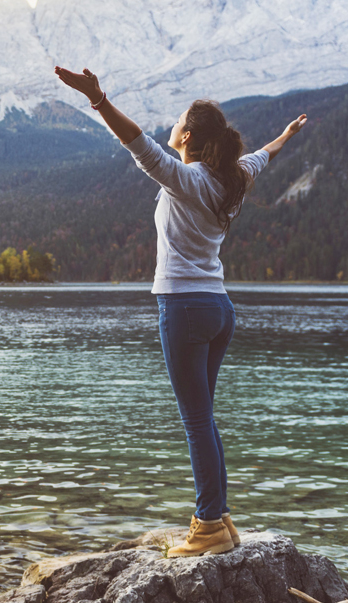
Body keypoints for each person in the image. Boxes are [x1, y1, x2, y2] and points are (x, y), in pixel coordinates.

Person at [55, 65, 307, 557]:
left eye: (176, 122)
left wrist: (100, 99)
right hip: (218, 307)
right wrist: (285, 135)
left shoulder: (185, 178)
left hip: (185, 306)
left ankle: (209, 525)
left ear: (187, 136)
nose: (170, 127)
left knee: (196, 422)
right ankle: (222, 518)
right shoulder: (233, 178)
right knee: (205, 418)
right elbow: (263, 157)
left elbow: (137, 142)